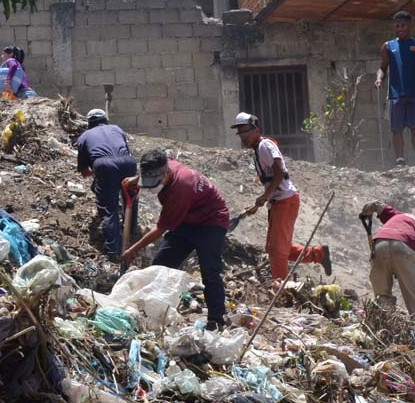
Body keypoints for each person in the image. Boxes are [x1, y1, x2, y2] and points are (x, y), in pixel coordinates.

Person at [121, 149, 230, 330]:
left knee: (210, 271)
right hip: (187, 219)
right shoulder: (162, 163)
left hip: (211, 221)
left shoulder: (180, 189)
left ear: (166, 174)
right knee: (161, 265)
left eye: (154, 183)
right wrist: (135, 180)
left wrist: (132, 250)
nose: (152, 186)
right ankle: (151, 312)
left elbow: (160, 229)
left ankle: (216, 320)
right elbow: (150, 170)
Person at [230, 112, 331, 284]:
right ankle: (318, 254)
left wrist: (264, 196)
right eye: (240, 133)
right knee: (275, 248)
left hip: (285, 201)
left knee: (277, 251)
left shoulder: (265, 146)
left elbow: (278, 174)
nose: (243, 136)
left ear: (256, 130)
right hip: (279, 202)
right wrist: (260, 203)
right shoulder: (257, 151)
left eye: (246, 131)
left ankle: (282, 289)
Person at [360, 200, 415, 319]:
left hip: (379, 245)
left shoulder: (402, 217)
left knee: (382, 297)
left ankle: (384, 326)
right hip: (404, 248)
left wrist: (366, 210)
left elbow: (378, 205)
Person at [76, 108, 138, 258]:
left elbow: (84, 172)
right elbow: (124, 152)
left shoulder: (84, 137)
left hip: (104, 165)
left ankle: (114, 251)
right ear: (105, 120)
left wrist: (100, 173)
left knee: (109, 209)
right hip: (128, 162)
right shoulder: (117, 129)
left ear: (89, 123)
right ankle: (132, 233)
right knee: (131, 199)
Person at [374, 10, 415, 167]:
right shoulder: (388, 46)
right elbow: (382, 67)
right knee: (396, 129)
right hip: (395, 94)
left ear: (409, 26)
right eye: (397, 26)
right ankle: (400, 161)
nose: (400, 28)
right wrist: (379, 78)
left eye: (403, 25)